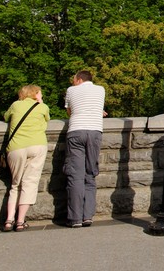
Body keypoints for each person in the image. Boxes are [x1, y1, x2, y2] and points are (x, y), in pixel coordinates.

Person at [2, 84, 51, 232]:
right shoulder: (43, 107)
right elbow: (47, 119)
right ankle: (20, 221)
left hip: (16, 147)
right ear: (36, 94)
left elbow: (6, 117)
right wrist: (40, 103)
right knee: (29, 183)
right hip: (37, 146)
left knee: (15, 184)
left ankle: (9, 220)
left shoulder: (16, 105)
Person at [64, 70, 106, 228]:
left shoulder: (71, 90)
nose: (73, 82)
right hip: (95, 131)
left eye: (74, 79)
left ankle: (75, 218)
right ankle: (88, 215)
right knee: (90, 173)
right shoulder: (101, 89)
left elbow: (69, 112)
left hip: (76, 131)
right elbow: (95, 107)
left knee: (75, 175)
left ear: (79, 80)